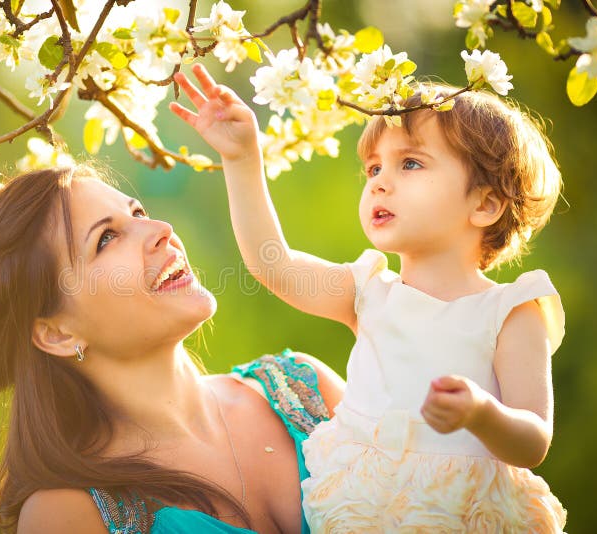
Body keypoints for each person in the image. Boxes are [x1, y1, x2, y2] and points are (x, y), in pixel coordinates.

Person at [170, 64, 567, 531]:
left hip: (463, 514)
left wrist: (481, 413)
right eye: (374, 167)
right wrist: (241, 159)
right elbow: (273, 265)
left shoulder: (510, 313)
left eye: (411, 163)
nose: (379, 181)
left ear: (484, 204)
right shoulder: (368, 293)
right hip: (363, 510)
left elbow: (533, 441)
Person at [0, 164, 346, 533]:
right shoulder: (65, 516)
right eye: (107, 238)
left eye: (137, 213)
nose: (160, 230)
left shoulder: (303, 386)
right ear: (57, 333)